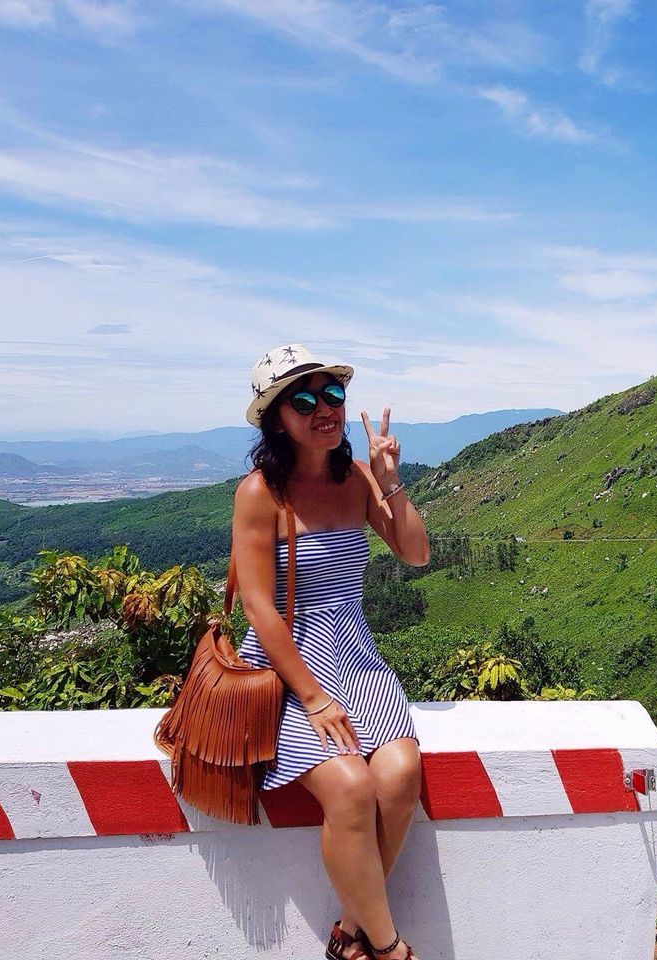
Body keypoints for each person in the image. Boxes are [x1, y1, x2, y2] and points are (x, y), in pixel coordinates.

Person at [232, 343, 430, 960]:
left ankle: (350, 930)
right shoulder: (261, 492)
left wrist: (391, 480)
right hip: (286, 662)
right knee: (349, 789)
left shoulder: (357, 480)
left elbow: (416, 553)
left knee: (398, 776)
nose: (325, 409)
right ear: (277, 419)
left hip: (354, 650)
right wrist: (312, 698)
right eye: (305, 399)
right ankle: (392, 948)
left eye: (333, 394)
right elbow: (259, 608)